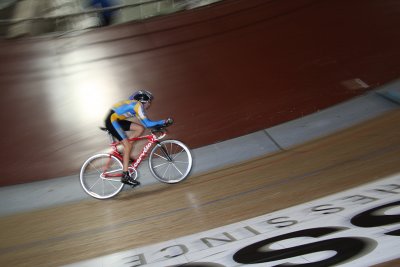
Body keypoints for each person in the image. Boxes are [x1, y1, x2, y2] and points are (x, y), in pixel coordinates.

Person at [104, 90, 173, 186]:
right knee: (128, 146)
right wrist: (164, 122)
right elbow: (148, 123)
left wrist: (159, 125)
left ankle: (125, 154)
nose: (149, 105)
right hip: (112, 120)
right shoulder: (137, 106)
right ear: (144, 101)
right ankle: (125, 176)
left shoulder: (136, 107)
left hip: (116, 119)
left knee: (139, 129)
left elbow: (145, 124)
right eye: (149, 102)